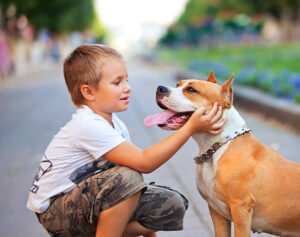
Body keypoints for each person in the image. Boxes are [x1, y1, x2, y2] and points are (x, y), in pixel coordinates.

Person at [26, 44, 225, 237]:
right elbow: (144, 163)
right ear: (88, 92)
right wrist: (191, 127)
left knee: (171, 204)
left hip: (87, 203)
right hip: (56, 213)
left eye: (126, 80)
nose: (127, 88)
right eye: (117, 83)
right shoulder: (87, 124)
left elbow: (132, 187)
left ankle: (106, 231)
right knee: (127, 178)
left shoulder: (115, 124)